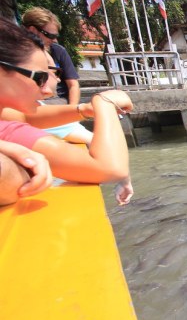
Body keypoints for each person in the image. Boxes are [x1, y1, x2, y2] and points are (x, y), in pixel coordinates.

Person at [0, 17, 133, 205]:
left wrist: (83, 109)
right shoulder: (6, 130)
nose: (46, 90)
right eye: (39, 78)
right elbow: (110, 168)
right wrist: (105, 103)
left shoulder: (6, 114)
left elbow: (24, 117)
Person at [21, 7, 90, 143]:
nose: (54, 40)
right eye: (50, 36)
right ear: (33, 30)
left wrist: (73, 111)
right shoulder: (19, 53)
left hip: (57, 102)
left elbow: (73, 85)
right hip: (36, 106)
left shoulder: (57, 51)